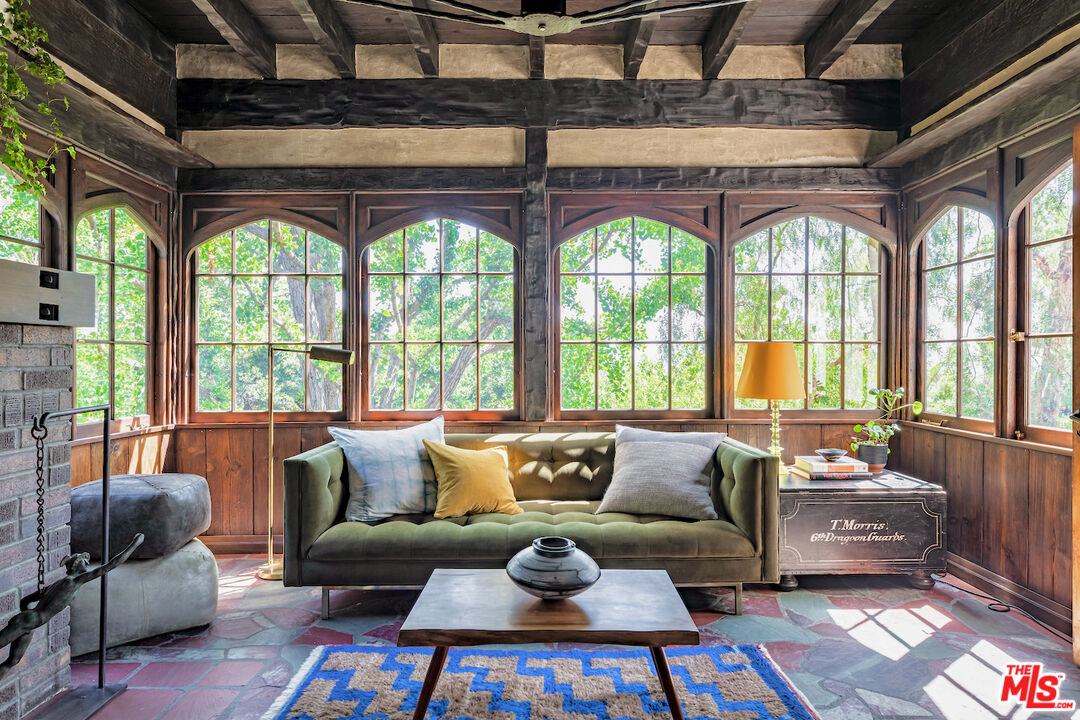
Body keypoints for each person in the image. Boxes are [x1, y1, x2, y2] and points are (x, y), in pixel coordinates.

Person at [0, 534, 143, 678]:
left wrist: (28, 615)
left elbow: (25, 601)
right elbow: (110, 566)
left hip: (29, 623)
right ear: (76, 564)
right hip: (30, 620)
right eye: (84, 561)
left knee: (13, 660)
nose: (87, 563)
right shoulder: (74, 581)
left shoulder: (58, 583)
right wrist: (134, 545)